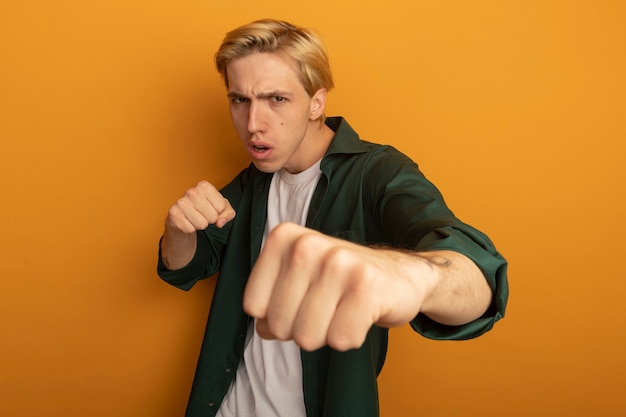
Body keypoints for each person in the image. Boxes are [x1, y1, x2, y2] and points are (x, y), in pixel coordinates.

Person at [157, 18, 508, 417]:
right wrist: (178, 229)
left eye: (277, 99)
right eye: (240, 100)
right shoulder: (252, 182)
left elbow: (477, 283)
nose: (253, 124)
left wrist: (412, 275)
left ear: (317, 102)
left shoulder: (378, 173)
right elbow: (186, 267)